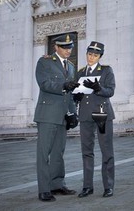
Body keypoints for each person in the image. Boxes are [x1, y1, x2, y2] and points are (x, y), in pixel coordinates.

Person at [34, 33, 79, 202]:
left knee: (59, 152)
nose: (68, 51)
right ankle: (44, 189)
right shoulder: (44, 62)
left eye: (70, 48)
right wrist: (63, 85)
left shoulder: (71, 67)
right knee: (44, 153)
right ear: (56, 47)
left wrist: (72, 112)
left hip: (62, 115)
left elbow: (71, 92)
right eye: (64, 48)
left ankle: (57, 184)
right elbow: (44, 84)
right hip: (47, 114)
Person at [73, 41, 116, 198]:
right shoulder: (80, 73)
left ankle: (108, 186)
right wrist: (75, 96)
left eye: (95, 55)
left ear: (100, 56)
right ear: (86, 54)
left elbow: (110, 90)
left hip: (101, 113)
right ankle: (87, 186)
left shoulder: (106, 71)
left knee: (106, 150)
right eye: (90, 54)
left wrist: (99, 89)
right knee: (87, 151)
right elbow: (77, 93)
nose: (91, 57)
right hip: (85, 115)